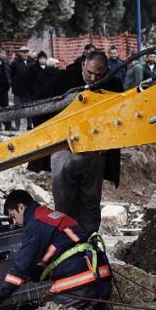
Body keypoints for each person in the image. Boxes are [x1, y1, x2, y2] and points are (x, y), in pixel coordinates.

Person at [28, 51, 124, 233]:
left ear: (106, 71)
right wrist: (53, 137)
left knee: (91, 202)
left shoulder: (113, 84)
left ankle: (89, 243)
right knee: (64, 202)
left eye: (98, 75)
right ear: (82, 65)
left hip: (95, 152)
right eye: (89, 73)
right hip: (64, 151)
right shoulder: (64, 79)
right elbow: (36, 105)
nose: (93, 78)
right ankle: (66, 241)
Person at [0, 189, 112, 310]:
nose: (14, 223)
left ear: (21, 207)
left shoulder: (35, 224)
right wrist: (36, 272)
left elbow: (21, 267)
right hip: (101, 277)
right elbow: (60, 248)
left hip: (80, 283)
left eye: (13, 216)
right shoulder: (50, 215)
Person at [10, 46, 34, 130]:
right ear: (20, 53)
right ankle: (17, 126)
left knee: (30, 108)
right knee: (17, 108)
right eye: (23, 52)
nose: (25, 54)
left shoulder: (32, 62)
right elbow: (11, 74)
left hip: (29, 90)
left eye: (26, 52)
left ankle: (29, 125)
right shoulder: (15, 62)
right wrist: (14, 85)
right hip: (18, 90)